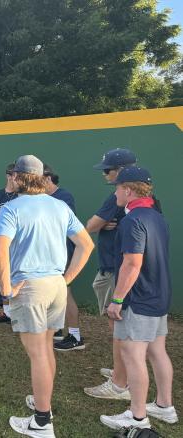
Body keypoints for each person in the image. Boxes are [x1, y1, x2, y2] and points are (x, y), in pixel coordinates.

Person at [0, 155, 94, 438]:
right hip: (55, 286)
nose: (10, 178)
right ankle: (44, 407)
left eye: (13, 174)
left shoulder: (11, 209)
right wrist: (65, 280)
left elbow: (0, 253)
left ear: (19, 177)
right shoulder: (60, 206)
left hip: (30, 287)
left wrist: (5, 291)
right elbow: (86, 245)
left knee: (37, 353)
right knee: (46, 347)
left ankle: (41, 422)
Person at [99, 167, 178, 430]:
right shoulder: (156, 216)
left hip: (139, 299)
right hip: (159, 296)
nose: (115, 193)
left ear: (128, 190)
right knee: (157, 352)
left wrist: (117, 300)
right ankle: (164, 406)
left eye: (117, 188)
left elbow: (132, 263)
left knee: (133, 356)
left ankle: (137, 417)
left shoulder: (132, 221)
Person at [83, 148, 138, 400]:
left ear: (121, 171)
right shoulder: (140, 198)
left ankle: (119, 383)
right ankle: (121, 371)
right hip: (115, 266)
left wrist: (102, 223)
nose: (105, 174)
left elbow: (90, 226)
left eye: (108, 170)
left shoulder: (116, 198)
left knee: (118, 324)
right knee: (119, 325)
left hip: (116, 268)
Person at [42, 165, 83, 352]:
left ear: (48, 178)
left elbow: (63, 224)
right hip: (49, 255)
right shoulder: (43, 198)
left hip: (63, 253)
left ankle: (75, 337)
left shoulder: (64, 197)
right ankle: (58, 329)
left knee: (66, 293)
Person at [0, 163, 18, 324]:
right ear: (8, 176)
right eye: (14, 175)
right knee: (2, 276)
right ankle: (6, 313)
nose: (16, 178)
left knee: (18, 276)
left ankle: (19, 313)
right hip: (1, 242)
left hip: (19, 244)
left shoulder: (22, 195)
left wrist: (4, 215)